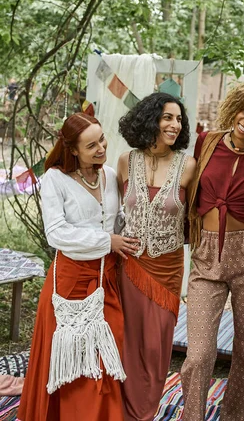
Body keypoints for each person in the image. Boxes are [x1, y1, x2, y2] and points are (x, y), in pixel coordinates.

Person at [18, 112, 137, 421]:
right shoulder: (54, 180)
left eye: (102, 140)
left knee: (105, 353)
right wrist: (107, 241)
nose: (101, 148)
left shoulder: (110, 175)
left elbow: (116, 220)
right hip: (69, 282)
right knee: (70, 361)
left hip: (106, 279)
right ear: (72, 149)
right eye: (91, 145)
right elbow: (56, 233)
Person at [181, 80, 244, 421]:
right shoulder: (207, 142)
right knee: (200, 353)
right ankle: (192, 417)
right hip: (206, 256)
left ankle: (236, 416)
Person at [117, 92, 196, 421]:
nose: (174, 125)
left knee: (156, 345)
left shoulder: (188, 165)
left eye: (178, 119)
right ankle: (121, 410)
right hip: (128, 265)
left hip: (166, 267)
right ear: (150, 119)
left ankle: (145, 413)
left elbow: (195, 218)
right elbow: (113, 214)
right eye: (167, 117)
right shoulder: (125, 161)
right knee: (127, 340)